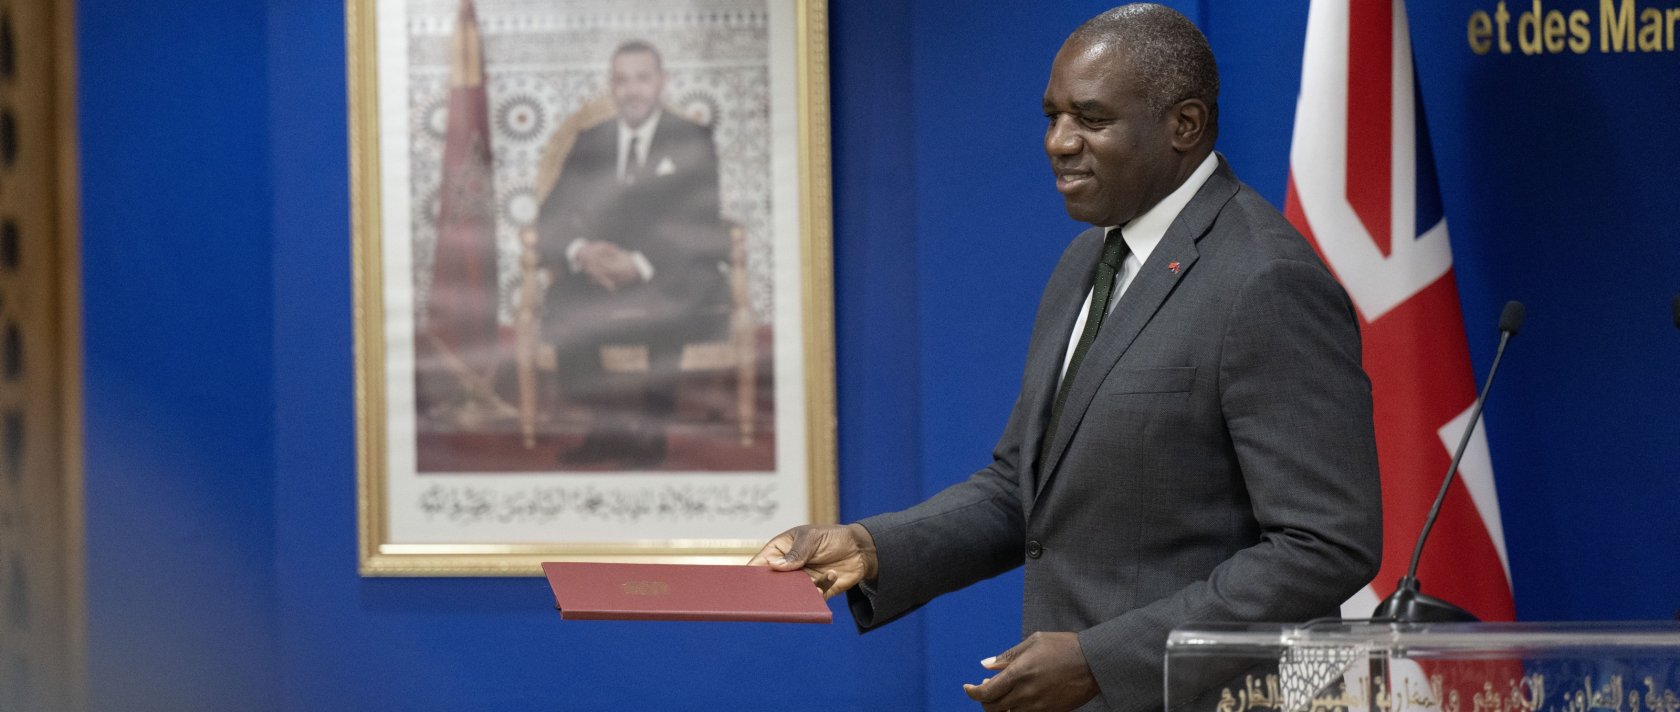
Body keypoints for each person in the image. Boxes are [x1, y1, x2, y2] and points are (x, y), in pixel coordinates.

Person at [749, 5, 1382, 712]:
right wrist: (871, 548)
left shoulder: (1265, 281)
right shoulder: (1089, 258)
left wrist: (1101, 661)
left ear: (1185, 125)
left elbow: (1323, 545)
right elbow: (1020, 489)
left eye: (1091, 118)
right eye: (1051, 116)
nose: (1058, 142)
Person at [536, 39, 730, 468]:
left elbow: (700, 220)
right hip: (601, 274)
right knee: (565, 303)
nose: (632, 90)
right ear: (611, 86)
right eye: (622, 80)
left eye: (642, 78)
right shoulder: (590, 142)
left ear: (661, 82)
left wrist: (638, 264)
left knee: (670, 300)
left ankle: (650, 432)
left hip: (669, 270)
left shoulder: (692, 138)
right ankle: (603, 430)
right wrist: (582, 251)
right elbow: (551, 215)